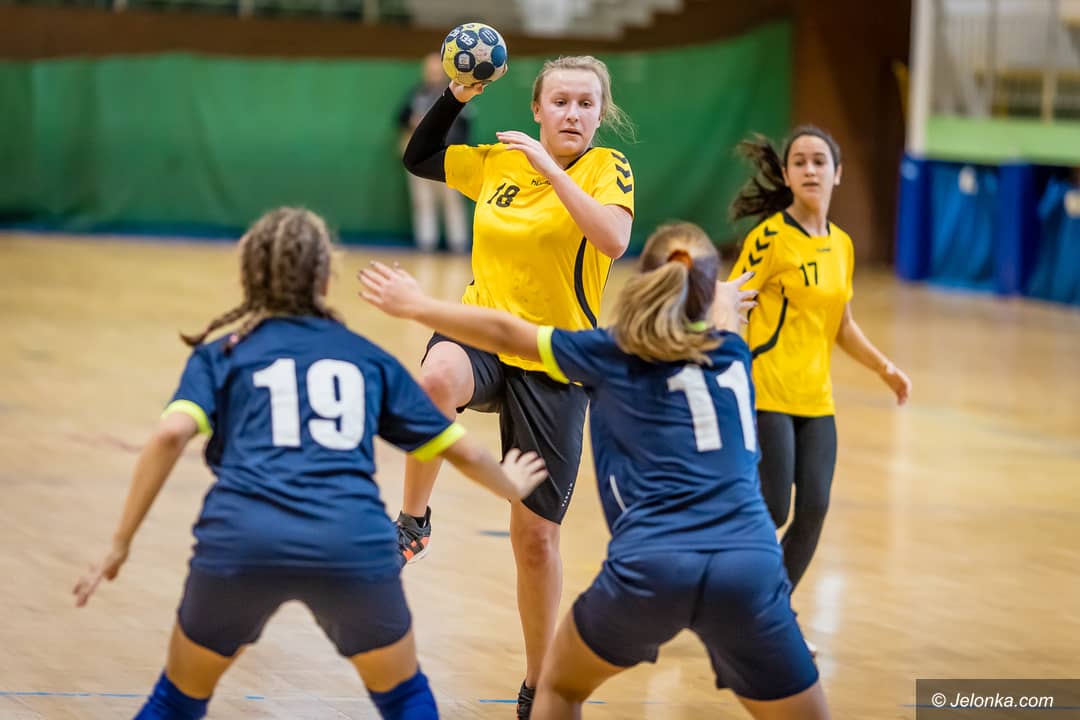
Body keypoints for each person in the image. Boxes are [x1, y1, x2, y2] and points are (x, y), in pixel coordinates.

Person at [72, 207, 546, 720]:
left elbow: (169, 434)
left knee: (175, 701)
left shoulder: (222, 353)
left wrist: (119, 545)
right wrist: (508, 482)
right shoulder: (365, 357)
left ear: (248, 277)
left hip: (243, 540)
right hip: (350, 542)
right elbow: (457, 447)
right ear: (325, 279)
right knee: (405, 698)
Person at [358, 221, 831, 720]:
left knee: (558, 688)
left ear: (643, 283)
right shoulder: (733, 354)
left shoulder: (611, 352)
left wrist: (418, 306)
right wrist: (724, 299)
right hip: (750, 567)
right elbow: (720, 321)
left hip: (653, 566)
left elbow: (505, 332)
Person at [398, 55, 636, 717]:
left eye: (585, 103)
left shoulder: (607, 168)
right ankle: (413, 521)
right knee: (433, 379)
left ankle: (539, 686)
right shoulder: (499, 161)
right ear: (536, 108)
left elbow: (614, 240)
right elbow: (419, 157)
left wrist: (552, 171)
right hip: (482, 329)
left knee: (535, 540)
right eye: (559, 101)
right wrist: (455, 95)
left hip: (556, 358)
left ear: (600, 113)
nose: (572, 114)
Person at [727, 127, 912, 608]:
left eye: (819, 161)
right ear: (786, 175)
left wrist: (884, 368)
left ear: (838, 172)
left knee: (814, 509)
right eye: (800, 162)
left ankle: (769, 612)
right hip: (768, 392)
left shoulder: (842, 245)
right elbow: (729, 304)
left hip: (816, 401)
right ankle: (717, 582)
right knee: (773, 508)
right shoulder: (769, 238)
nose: (810, 170)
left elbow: (842, 324)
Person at [397, 53, 472, 252]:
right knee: (422, 200)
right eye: (429, 70)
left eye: (436, 70)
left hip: (449, 154)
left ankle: (458, 242)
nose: (433, 74)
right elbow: (401, 117)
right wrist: (412, 121)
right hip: (423, 155)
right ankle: (426, 241)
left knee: (452, 199)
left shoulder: (457, 93)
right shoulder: (417, 94)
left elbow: (466, 124)